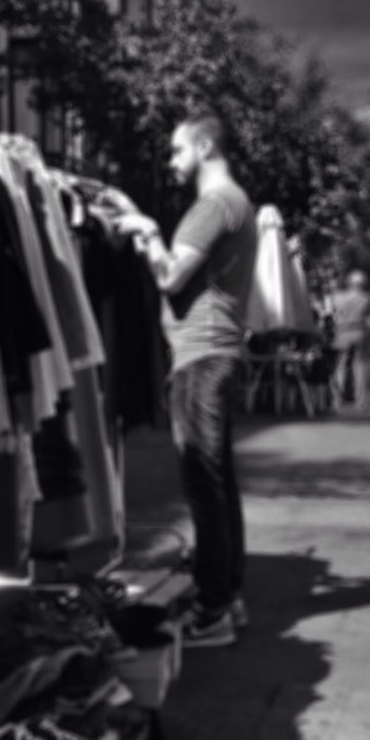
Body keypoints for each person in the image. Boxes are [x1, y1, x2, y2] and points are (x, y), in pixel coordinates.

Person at [118, 111, 258, 646]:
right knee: (217, 483)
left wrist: (146, 231)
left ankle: (214, 607)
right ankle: (228, 597)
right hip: (213, 354)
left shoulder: (215, 204)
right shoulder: (236, 203)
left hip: (202, 357)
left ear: (203, 146)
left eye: (177, 151)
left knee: (202, 482)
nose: (171, 162)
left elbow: (169, 274)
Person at [329, 269, 370, 410]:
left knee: (340, 367)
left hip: (341, 334)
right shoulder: (367, 298)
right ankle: (361, 401)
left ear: (349, 283)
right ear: (363, 284)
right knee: (360, 367)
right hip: (359, 334)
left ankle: (337, 400)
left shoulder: (337, 297)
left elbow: (332, 314)